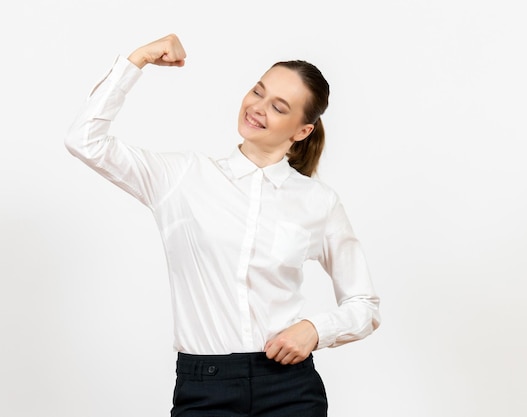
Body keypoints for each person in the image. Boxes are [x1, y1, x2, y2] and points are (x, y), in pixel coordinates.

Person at [65, 33, 380, 417]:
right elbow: (85, 140)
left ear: (302, 131)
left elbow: (364, 304)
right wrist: (138, 60)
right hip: (205, 387)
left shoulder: (319, 202)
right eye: (257, 92)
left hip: (290, 388)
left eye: (279, 107)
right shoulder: (182, 177)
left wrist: (316, 329)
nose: (257, 108)